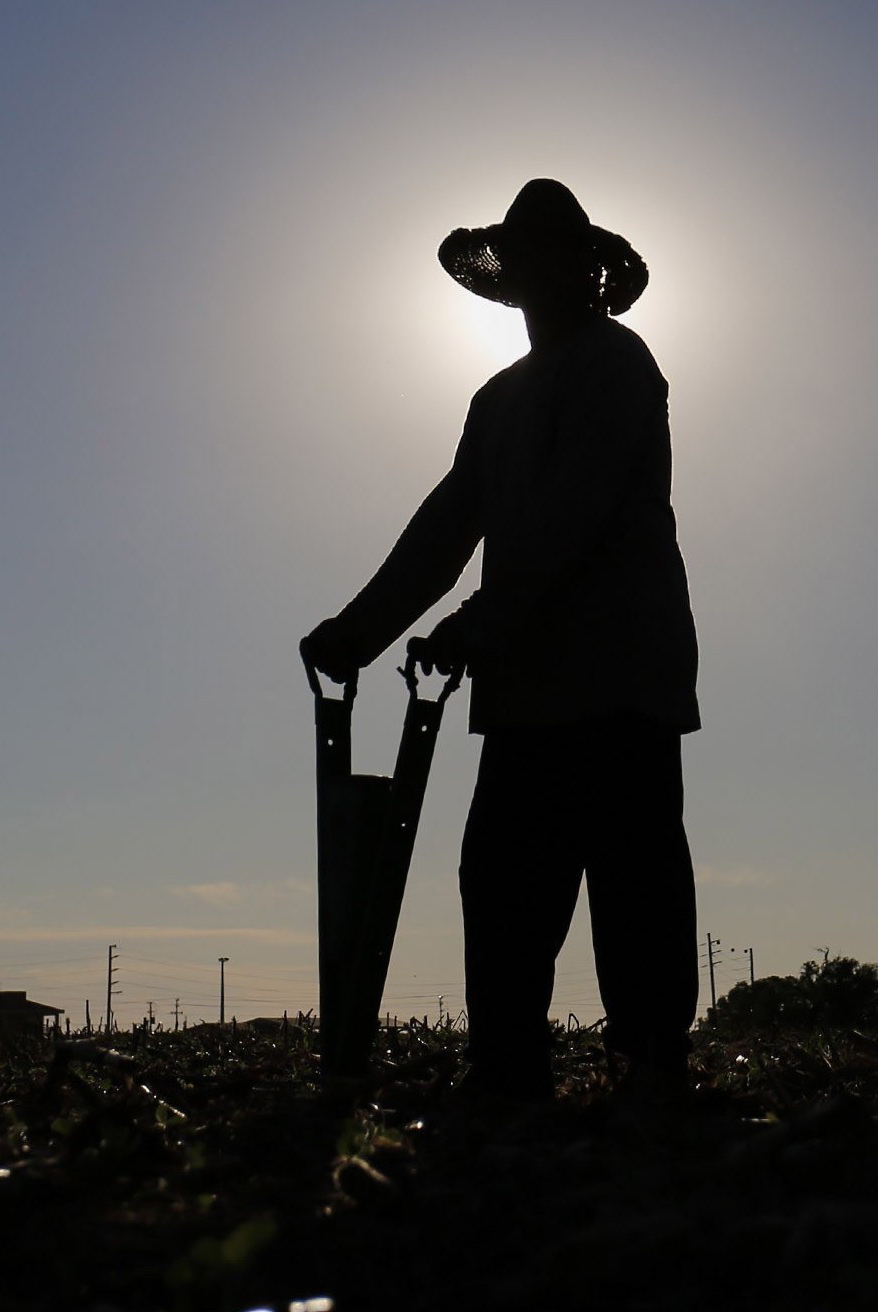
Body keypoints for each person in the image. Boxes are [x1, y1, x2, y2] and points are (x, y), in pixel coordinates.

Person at [300, 178, 700, 1101]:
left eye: (552, 262)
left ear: (584, 272)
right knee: (504, 879)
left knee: (632, 873)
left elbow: (576, 512)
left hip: (620, 668)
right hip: (527, 683)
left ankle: (650, 1067)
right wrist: (355, 635)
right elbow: (446, 527)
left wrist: (477, 624)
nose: (535, 280)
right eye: (520, 265)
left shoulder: (616, 364)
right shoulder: (498, 400)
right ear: (509, 279)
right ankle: (508, 1070)